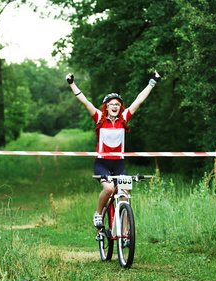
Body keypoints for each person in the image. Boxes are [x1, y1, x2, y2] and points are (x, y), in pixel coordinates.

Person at [66, 71, 161, 227]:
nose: (115, 106)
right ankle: (98, 214)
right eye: (112, 104)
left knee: (124, 195)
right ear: (106, 107)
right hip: (102, 163)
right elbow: (85, 102)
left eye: (117, 104)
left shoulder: (124, 117)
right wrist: (71, 83)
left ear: (120, 107)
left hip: (118, 164)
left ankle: (124, 233)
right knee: (109, 188)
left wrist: (152, 82)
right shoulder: (99, 118)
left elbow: (139, 100)